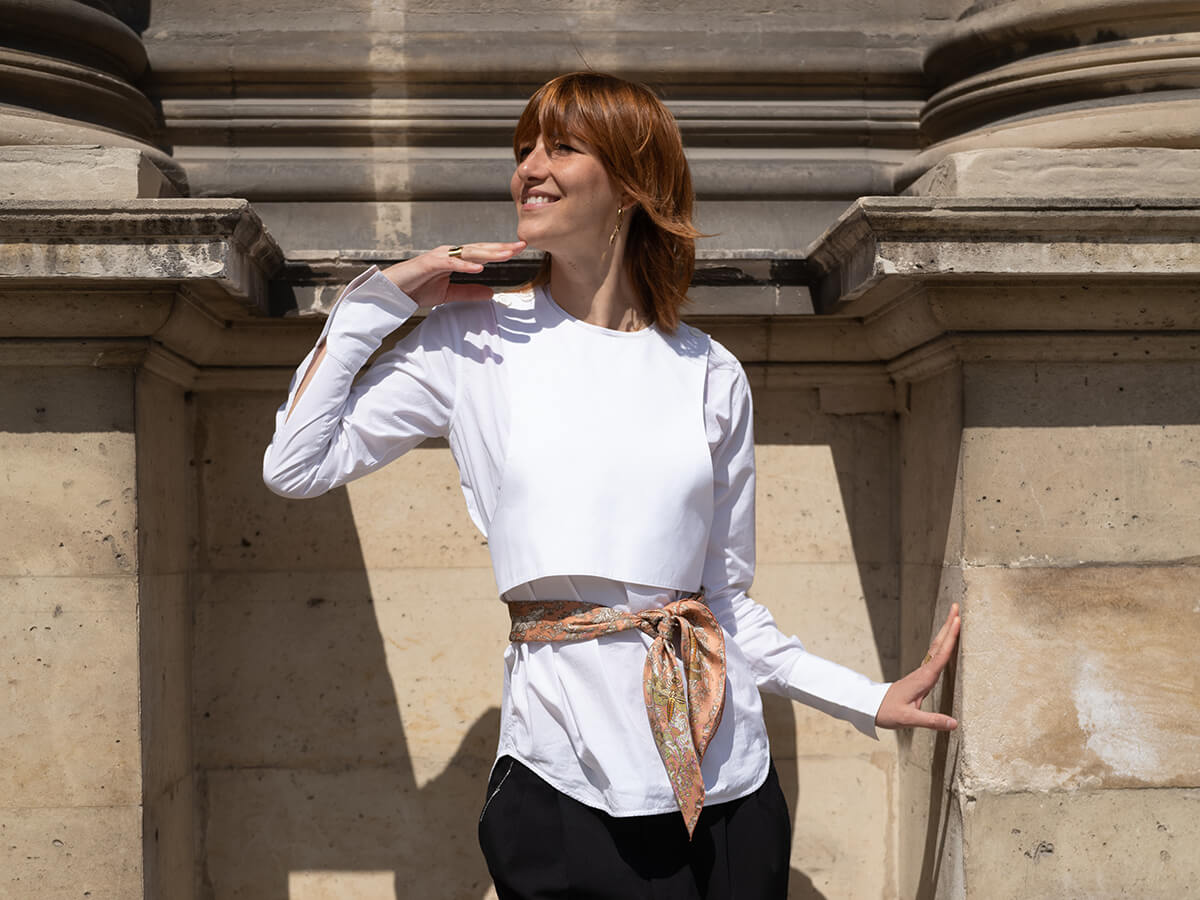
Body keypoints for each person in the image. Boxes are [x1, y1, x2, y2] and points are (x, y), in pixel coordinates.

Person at [263, 71, 960, 900]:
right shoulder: (471, 342)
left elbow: (721, 606)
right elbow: (296, 465)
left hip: (727, 781)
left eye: (562, 146)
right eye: (524, 148)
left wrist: (866, 699)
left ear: (632, 183)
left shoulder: (709, 371)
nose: (530, 166)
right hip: (562, 776)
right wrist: (383, 299)